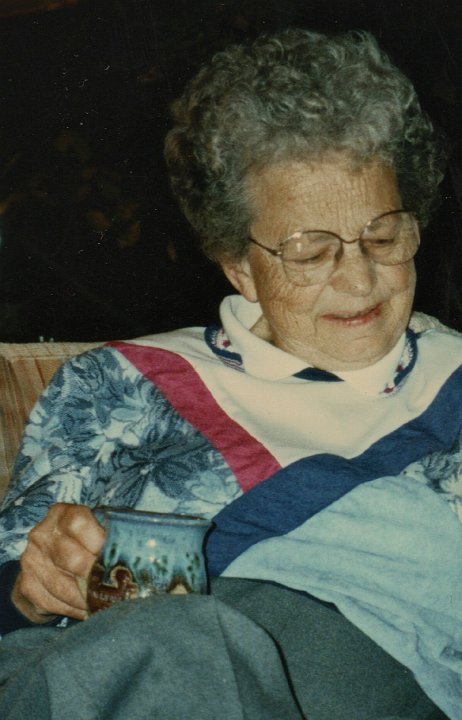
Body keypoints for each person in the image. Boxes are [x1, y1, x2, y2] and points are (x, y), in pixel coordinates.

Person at [0, 27, 461, 720]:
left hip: (391, 680)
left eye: (384, 235)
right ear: (239, 264)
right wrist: (33, 587)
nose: (360, 277)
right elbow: (20, 599)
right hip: (125, 672)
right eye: (311, 251)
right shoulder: (124, 383)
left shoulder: (453, 376)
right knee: (179, 647)